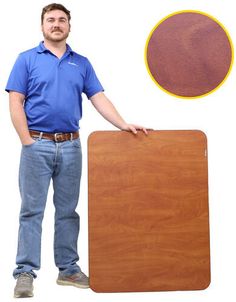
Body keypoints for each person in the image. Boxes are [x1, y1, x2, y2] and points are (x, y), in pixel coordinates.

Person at [5, 2, 147, 299]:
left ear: (69, 26)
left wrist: (123, 124)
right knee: (32, 211)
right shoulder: (26, 59)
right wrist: (26, 142)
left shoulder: (81, 63)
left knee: (68, 211)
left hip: (71, 146)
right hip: (37, 145)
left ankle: (68, 269)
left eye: (61, 20)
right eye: (50, 20)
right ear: (42, 26)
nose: (56, 24)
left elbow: (98, 98)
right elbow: (15, 101)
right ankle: (25, 273)